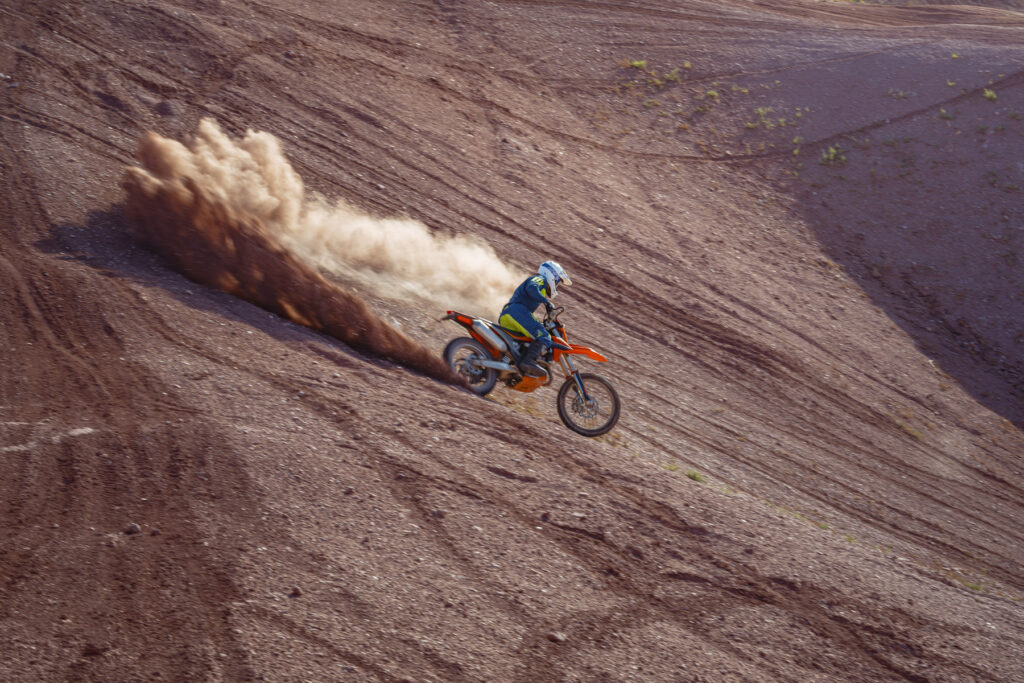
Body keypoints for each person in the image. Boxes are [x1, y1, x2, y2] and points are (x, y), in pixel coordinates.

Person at [499, 260, 571, 377]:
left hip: (512, 314)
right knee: (543, 335)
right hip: (516, 311)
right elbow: (532, 288)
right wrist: (546, 302)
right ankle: (528, 362)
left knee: (528, 339)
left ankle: (514, 362)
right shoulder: (540, 279)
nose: (556, 286)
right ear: (552, 275)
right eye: (558, 282)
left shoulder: (541, 286)